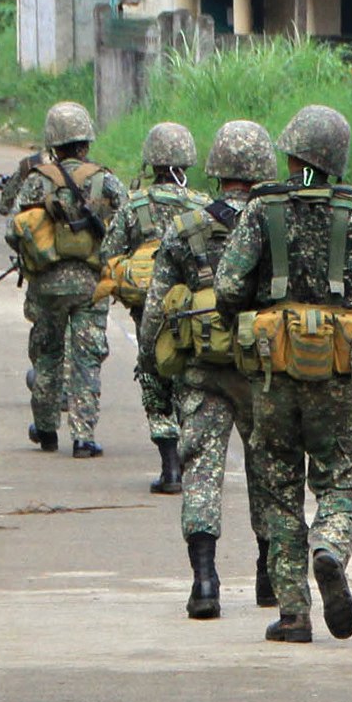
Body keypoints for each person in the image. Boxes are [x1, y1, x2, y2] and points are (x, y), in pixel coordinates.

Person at [213, 105, 352, 644]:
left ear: (292, 152)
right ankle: (330, 546)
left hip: (272, 373)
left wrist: (249, 322)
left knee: (278, 487)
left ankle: (294, 615)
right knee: (338, 477)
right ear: (336, 158)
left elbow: (227, 287)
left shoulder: (262, 208)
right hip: (336, 375)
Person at [136, 120, 279, 619]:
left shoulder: (185, 228)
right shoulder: (276, 225)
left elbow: (154, 315)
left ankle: (204, 581)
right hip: (261, 370)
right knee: (268, 469)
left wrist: (151, 369)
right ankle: (269, 577)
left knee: (200, 470)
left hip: (202, 372)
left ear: (216, 170)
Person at [9, 102, 127, 458]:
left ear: (53, 142)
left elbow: (14, 230)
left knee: (47, 354)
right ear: (86, 142)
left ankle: (46, 430)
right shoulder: (105, 180)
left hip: (47, 284)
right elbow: (127, 222)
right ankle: (83, 438)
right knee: (86, 359)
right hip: (92, 284)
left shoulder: (37, 180)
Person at [102, 122, 206, 493]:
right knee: (190, 381)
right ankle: (194, 462)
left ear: (151, 160)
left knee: (154, 377)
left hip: (148, 311)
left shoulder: (134, 205)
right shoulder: (201, 205)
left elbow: (108, 253)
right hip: (191, 312)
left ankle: (170, 468)